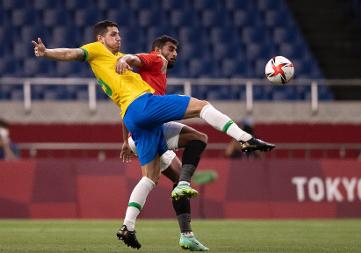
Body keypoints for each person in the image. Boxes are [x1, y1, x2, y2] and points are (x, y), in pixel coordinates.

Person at [32, 20, 275, 250]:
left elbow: (127, 78)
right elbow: (74, 53)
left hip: (134, 119)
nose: (119, 37)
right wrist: (47, 51)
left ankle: (130, 226)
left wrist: (125, 139)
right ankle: (245, 138)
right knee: (202, 106)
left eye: (119, 33)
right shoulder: (100, 51)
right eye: (113, 34)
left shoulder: (116, 63)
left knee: (151, 177)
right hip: (144, 105)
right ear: (100, 38)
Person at [118, 35, 209, 250]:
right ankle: (128, 225)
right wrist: (126, 60)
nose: (175, 53)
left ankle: (185, 234)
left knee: (170, 180)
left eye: (176, 50)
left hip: (141, 133)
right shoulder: (152, 64)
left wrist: (125, 140)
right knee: (152, 178)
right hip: (148, 133)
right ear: (158, 50)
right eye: (171, 49)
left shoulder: (155, 77)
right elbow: (135, 59)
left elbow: (126, 109)